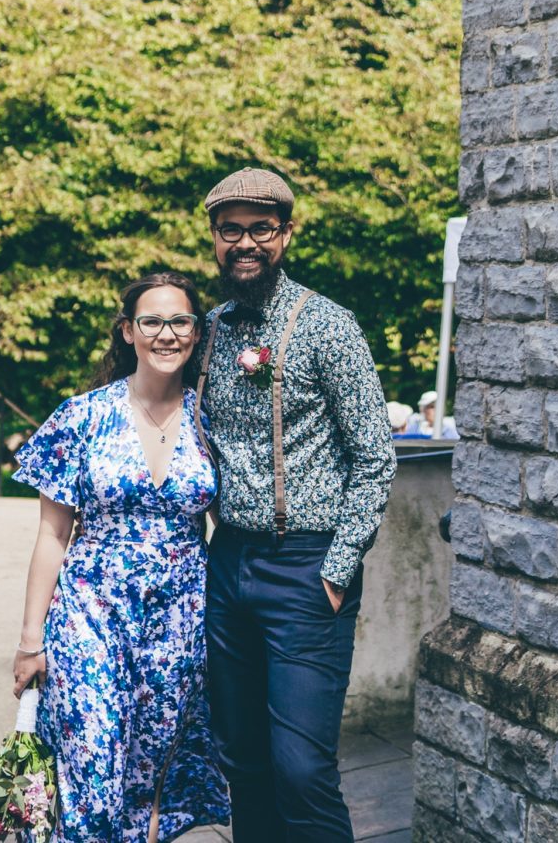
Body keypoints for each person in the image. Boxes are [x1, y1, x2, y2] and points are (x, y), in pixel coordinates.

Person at [196, 166, 396, 843]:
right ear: (215, 238)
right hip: (228, 565)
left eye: (260, 229)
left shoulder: (328, 327)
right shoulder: (211, 330)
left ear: (286, 234)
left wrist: (337, 570)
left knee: (301, 768)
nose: (244, 243)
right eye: (231, 231)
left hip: (307, 568)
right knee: (243, 763)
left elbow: (374, 456)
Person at [11, 272, 231, 843]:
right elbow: (51, 536)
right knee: (91, 752)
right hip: (91, 611)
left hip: (180, 618)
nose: (166, 334)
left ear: (196, 332)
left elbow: (230, 526)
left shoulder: (215, 420)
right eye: (151, 322)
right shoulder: (81, 417)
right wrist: (30, 641)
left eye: (180, 321)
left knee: (154, 766)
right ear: (128, 331)